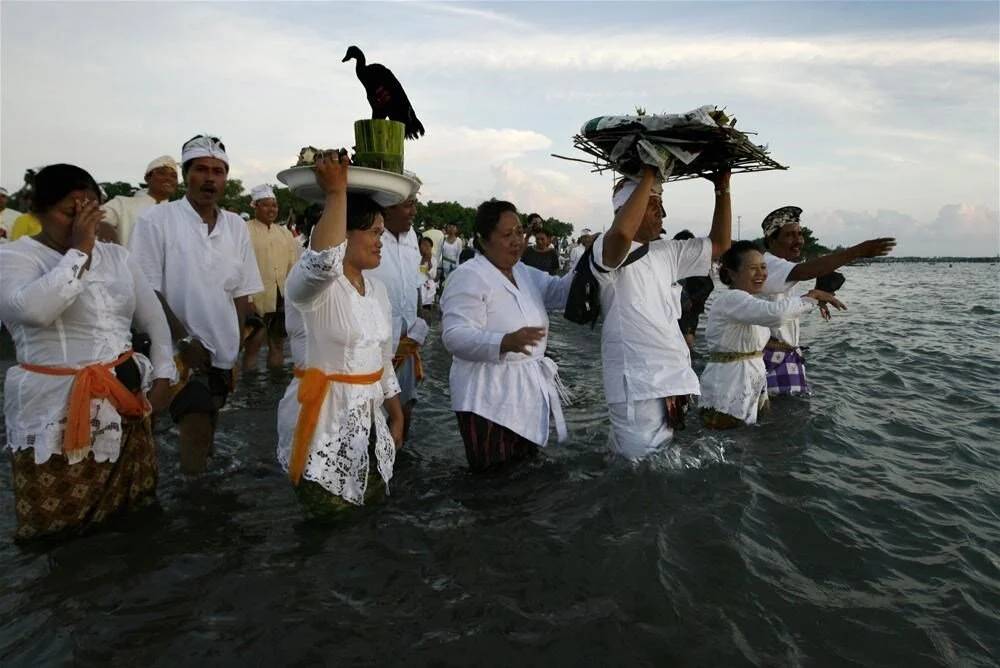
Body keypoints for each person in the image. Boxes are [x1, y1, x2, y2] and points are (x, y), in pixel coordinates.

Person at [0, 164, 175, 541]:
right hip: (53, 412)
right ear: (38, 212)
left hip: (123, 403)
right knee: (60, 534)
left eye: (90, 212)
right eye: (70, 212)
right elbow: (36, 310)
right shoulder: (16, 257)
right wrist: (79, 250)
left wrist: (164, 375)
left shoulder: (118, 257)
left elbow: (154, 320)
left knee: (133, 523)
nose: (82, 223)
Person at [276, 151, 404, 513]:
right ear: (343, 234)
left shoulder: (377, 291)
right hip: (322, 426)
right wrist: (336, 193)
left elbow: (383, 361)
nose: (381, 241)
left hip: (371, 427)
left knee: (370, 519)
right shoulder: (310, 287)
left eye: (382, 232)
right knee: (326, 523)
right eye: (373, 232)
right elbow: (325, 262)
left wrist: (397, 414)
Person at [129, 134, 263, 474]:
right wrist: (185, 341)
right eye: (201, 169)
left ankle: (197, 484)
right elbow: (147, 290)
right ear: (186, 175)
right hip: (175, 349)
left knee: (208, 425)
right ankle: (196, 506)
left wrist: (236, 344)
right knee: (197, 424)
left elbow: (241, 292)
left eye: (218, 171)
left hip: (222, 351)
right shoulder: (156, 221)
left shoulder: (235, 225)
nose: (209, 178)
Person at [592, 167, 732, 460]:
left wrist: (722, 189)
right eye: (654, 205)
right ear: (631, 208)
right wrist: (647, 174)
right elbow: (620, 233)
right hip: (637, 387)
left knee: (656, 461)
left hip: (670, 380)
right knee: (639, 468)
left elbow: (720, 245)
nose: (663, 214)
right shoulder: (606, 249)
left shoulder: (666, 252)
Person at [441, 200, 574, 471]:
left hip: (524, 393)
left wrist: (596, 262)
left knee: (525, 475)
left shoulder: (522, 272)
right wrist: (504, 342)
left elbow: (559, 291)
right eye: (506, 235)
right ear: (483, 239)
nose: (517, 241)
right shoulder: (469, 276)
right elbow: (454, 336)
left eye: (519, 232)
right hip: (486, 399)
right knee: (495, 481)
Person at [699, 241, 843, 429]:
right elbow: (776, 314)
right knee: (726, 441)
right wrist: (812, 298)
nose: (761, 274)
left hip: (749, 383)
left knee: (741, 443)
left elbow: (760, 337)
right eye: (753, 268)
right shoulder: (731, 299)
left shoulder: (751, 302)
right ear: (731, 273)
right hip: (728, 386)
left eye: (763, 267)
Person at [759, 206, 895, 396]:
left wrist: (816, 295)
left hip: (784, 357)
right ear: (771, 240)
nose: (798, 240)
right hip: (770, 359)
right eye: (790, 235)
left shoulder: (783, 269)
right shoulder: (767, 265)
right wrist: (857, 251)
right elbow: (807, 271)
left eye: (800, 234)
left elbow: (781, 303)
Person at [364, 190, 424, 444]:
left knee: (406, 406)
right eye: (408, 205)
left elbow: (414, 284)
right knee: (371, 413)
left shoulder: (412, 237)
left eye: (414, 204)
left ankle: (398, 464)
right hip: (374, 345)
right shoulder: (367, 236)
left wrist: (418, 322)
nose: (413, 212)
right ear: (387, 207)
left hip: (407, 340)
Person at [243, 184, 301, 371]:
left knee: (277, 344)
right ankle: (250, 388)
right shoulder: (245, 230)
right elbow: (240, 267)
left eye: (274, 205)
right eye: (266, 205)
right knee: (253, 345)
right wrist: (247, 299)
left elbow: (293, 265)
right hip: (256, 296)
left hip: (281, 296)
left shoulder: (284, 233)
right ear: (255, 206)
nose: (272, 209)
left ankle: (275, 385)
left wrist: (293, 297)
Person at [99, 156, 178, 246]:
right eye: (162, 173)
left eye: (174, 176)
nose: (169, 178)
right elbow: (98, 221)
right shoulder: (121, 203)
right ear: (147, 178)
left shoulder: (178, 214)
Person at [673, 229, 716, 350]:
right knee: (687, 343)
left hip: (687, 314)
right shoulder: (693, 268)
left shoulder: (693, 268)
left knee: (686, 343)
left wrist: (691, 300)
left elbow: (708, 286)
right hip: (687, 313)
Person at [418, 235, 438, 308]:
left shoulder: (433, 259)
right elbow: (421, 271)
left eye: (429, 246)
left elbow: (433, 276)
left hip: (429, 289)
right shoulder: (416, 257)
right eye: (424, 245)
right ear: (419, 246)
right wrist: (424, 259)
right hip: (419, 287)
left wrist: (429, 261)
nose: (426, 248)